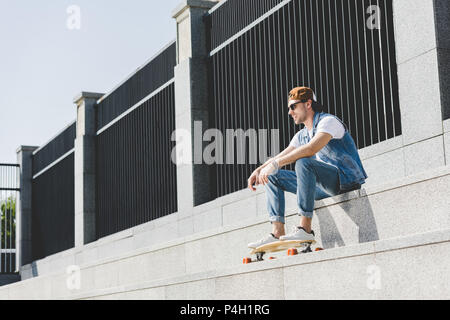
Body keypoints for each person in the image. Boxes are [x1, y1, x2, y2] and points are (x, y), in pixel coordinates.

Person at [247, 86, 368, 248]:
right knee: (273, 175)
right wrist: (260, 170)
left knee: (304, 162)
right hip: (322, 188)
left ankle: (305, 228)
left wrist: (275, 164)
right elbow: (281, 156)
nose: (290, 112)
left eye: (293, 106)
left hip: (344, 181)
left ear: (308, 104)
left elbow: (311, 149)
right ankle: (277, 232)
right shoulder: (302, 134)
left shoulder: (328, 122)